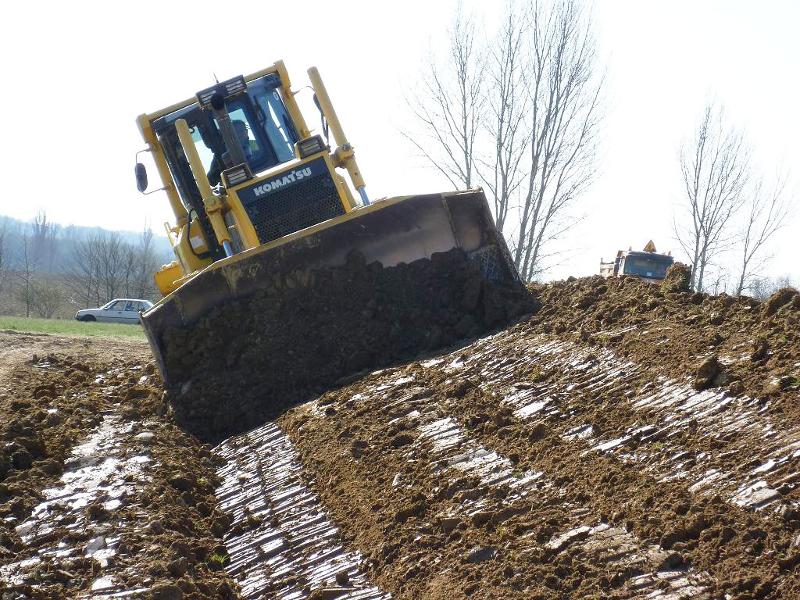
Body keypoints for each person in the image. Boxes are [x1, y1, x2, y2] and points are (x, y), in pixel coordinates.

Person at [207, 120, 259, 185]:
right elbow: (211, 179)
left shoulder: (254, 144)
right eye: (236, 132)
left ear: (246, 132)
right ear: (229, 136)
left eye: (241, 131)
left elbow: (263, 162)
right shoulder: (222, 153)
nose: (239, 135)